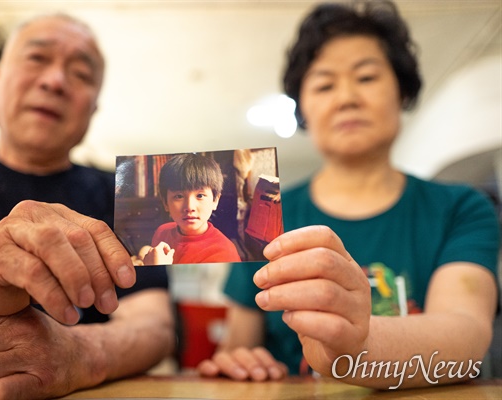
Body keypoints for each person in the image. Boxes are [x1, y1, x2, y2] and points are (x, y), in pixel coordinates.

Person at [198, 0, 499, 389]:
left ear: (402, 91)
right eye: (324, 84)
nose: (346, 98)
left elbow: (467, 335)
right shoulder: (260, 211)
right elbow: (237, 346)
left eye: (367, 77)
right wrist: (238, 362)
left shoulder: (461, 208)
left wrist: (359, 346)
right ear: (303, 108)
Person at [0, 14, 174, 399]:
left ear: (93, 108)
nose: (55, 81)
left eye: (80, 73)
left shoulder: (128, 198)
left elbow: (155, 327)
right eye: (36, 59)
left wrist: (81, 354)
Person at [143, 153, 242, 265]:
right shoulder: (162, 232)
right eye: (179, 196)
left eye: (200, 196)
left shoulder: (224, 254)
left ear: (215, 201)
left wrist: (156, 271)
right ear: (165, 202)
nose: (190, 207)